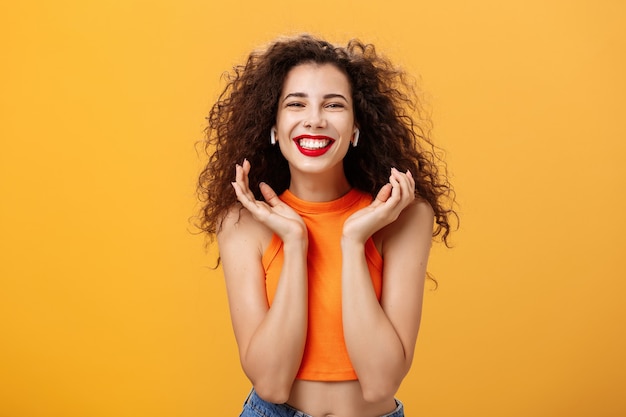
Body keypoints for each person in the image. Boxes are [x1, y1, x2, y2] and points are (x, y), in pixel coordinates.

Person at [197, 34, 456, 417]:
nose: (314, 120)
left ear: (355, 129)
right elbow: (270, 383)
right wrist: (295, 241)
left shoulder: (405, 216)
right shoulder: (241, 223)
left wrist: (353, 241)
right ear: (273, 125)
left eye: (333, 105)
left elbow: (381, 381)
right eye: (296, 104)